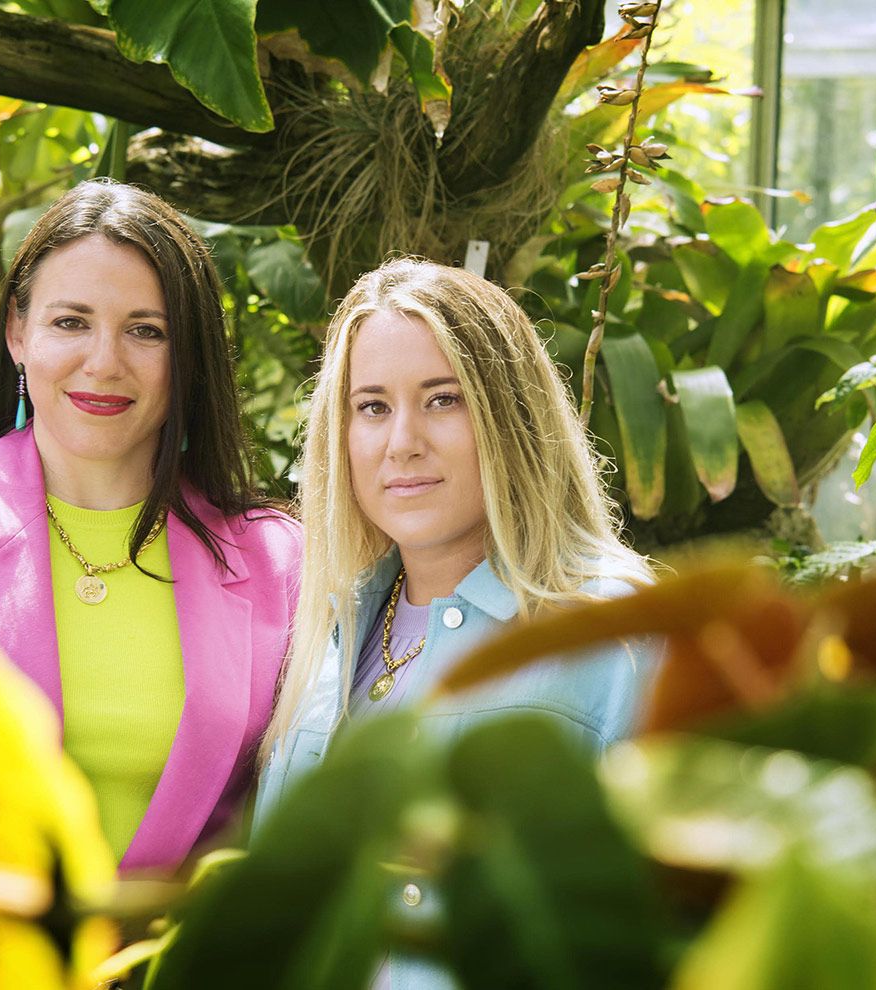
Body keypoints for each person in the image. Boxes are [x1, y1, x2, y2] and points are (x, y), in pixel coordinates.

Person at [0, 179, 301, 873]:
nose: (103, 362)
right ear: (18, 332)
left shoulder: (280, 559)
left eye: (146, 330)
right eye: (71, 322)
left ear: (188, 358)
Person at [254, 258, 659, 986]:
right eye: (372, 407)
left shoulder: (611, 631)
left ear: (510, 413)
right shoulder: (330, 630)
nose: (401, 441)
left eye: (442, 400)